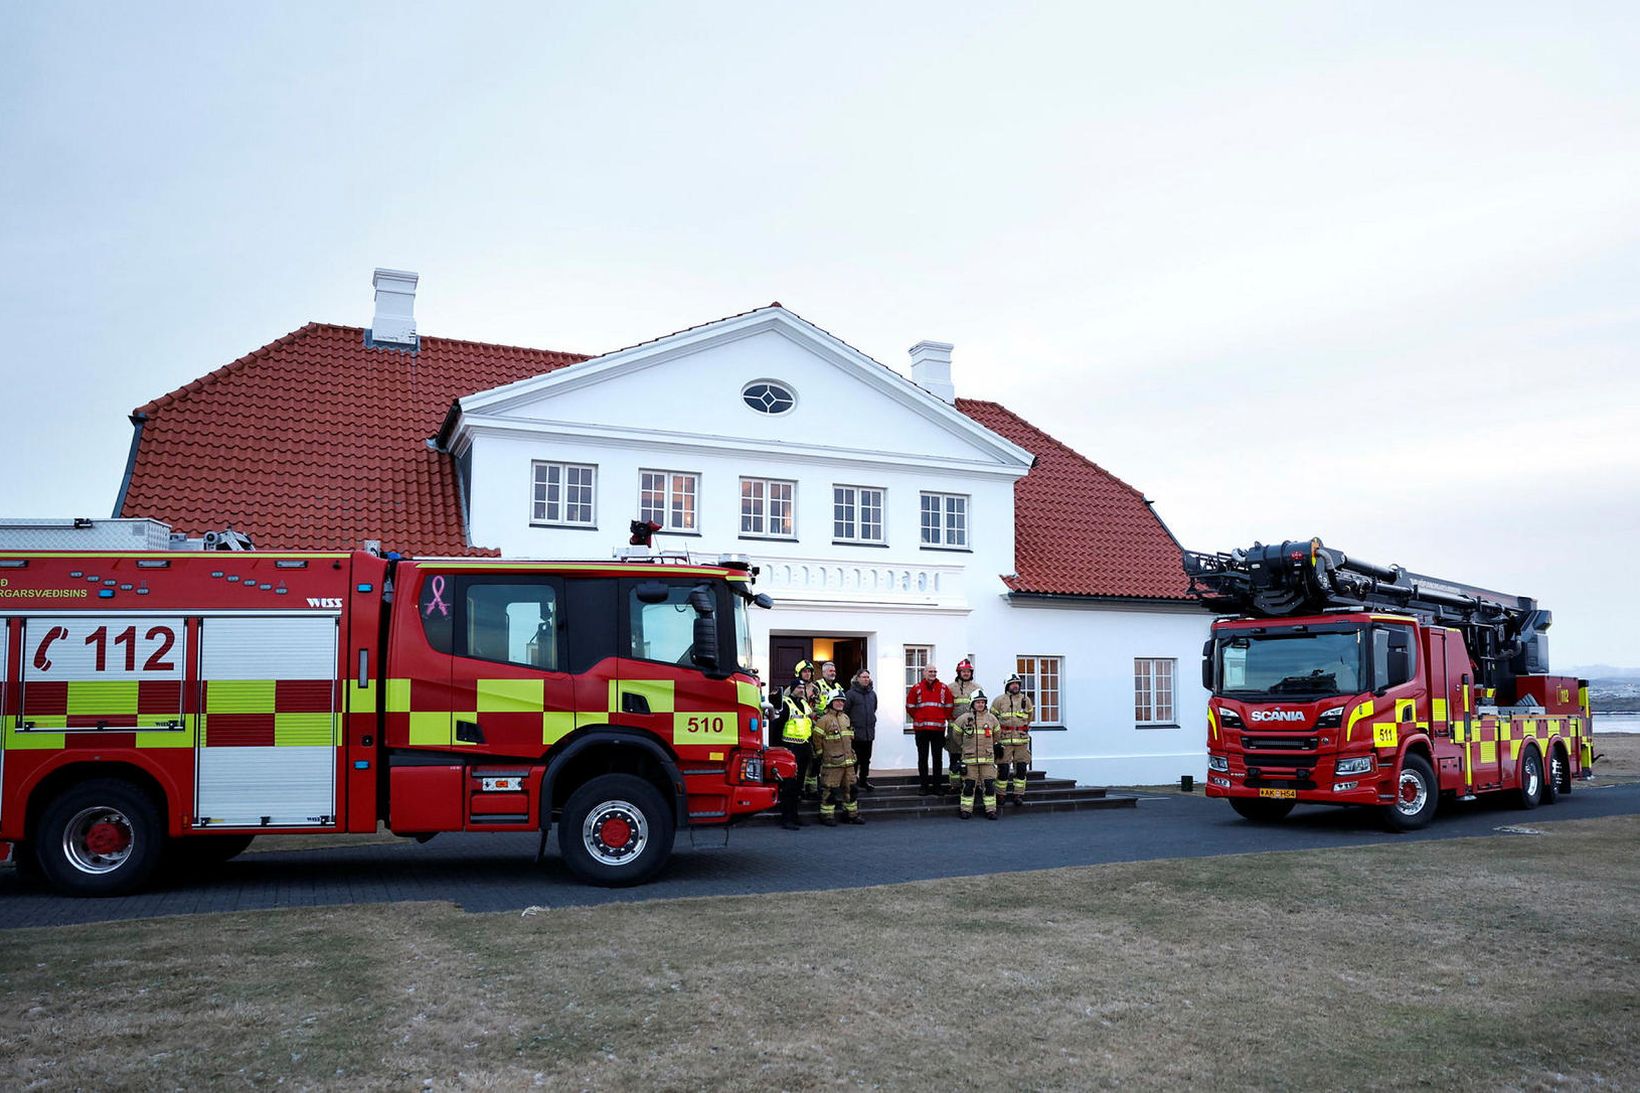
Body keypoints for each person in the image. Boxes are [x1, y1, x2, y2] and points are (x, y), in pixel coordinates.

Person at [812, 692, 864, 826]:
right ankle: (827, 816)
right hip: (832, 764)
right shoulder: (824, 720)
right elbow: (817, 739)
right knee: (830, 790)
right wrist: (822, 754)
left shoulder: (846, 718)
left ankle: (851, 814)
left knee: (851, 789)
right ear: (831, 702)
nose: (840, 703)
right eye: (837, 701)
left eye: (842, 701)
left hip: (848, 763)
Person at [905, 663, 954, 795]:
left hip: (938, 730)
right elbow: (910, 706)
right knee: (923, 758)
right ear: (924, 673)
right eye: (930, 671)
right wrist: (919, 718)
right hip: (922, 730)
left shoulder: (944, 688)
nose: (933, 674)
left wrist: (943, 717)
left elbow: (949, 706)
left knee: (937, 759)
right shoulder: (916, 688)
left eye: (934, 672)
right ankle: (924, 787)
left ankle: (937, 787)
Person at [952, 691, 1001, 819]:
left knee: (989, 785)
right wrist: (965, 746)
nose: (980, 704)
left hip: (987, 759)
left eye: (983, 702)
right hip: (969, 759)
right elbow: (956, 736)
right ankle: (966, 810)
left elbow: (997, 735)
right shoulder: (964, 718)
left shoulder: (992, 719)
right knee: (968, 785)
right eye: (978, 702)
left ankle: (991, 810)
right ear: (973, 703)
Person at [777, 682, 816, 830]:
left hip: (804, 746)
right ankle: (786, 819)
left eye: (802, 688)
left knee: (799, 785)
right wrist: (780, 747)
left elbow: (808, 724)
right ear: (792, 689)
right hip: (791, 747)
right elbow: (778, 726)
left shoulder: (805, 704)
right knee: (789, 785)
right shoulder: (786, 704)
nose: (801, 690)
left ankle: (795, 816)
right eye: (798, 688)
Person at [993, 674, 1034, 806]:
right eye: (1012, 683)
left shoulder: (1026, 700)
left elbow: (1029, 717)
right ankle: (1000, 794)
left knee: (1021, 769)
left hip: (1021, 741)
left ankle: (1018, 794)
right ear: (1007, 686)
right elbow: (992, 720)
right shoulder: (999, 700)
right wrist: (995, 741)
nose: (1015, 685)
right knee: (1003, 769)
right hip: (1005, 741)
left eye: (1017, 683)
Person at [948, 659, 981, 796]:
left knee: (972, 758)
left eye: (968, 671)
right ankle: (955, 785)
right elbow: (946, 707)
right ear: (958, 672)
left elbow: (981, 707)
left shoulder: (977, 688)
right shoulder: (950, 688)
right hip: (954, 728)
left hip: (971, 729)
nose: (966, 673)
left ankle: (974, 784)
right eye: (963, 671)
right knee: (954, 758)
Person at [844, 668, 878, 791]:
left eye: (867, 677)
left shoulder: (872, 694)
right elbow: (845, 713)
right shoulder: (850, 694)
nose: (866, 679)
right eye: (863, 677)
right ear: (857, 678)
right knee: (854, 760)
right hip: (855, 734)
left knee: (866, 760)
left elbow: (874, 709)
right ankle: (853, 782)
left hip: (869, 733)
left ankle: (863, 780)